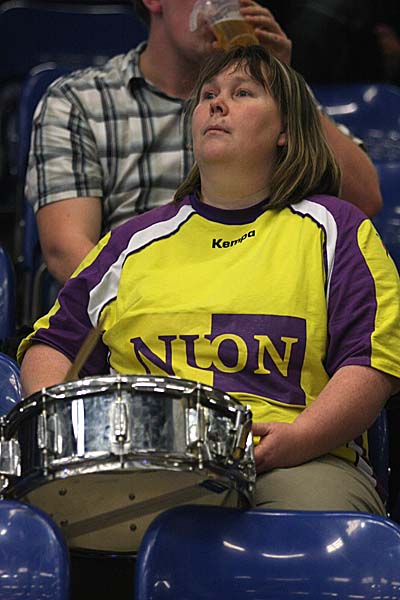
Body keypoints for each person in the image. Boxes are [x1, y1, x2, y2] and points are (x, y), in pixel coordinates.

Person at [20, 42, 400, 512]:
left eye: (243, 93)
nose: (217, 104)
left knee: (312, 529)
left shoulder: (337, 229)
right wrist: (63, 436)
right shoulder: (131, 241)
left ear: (285, 130)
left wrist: (300, 438)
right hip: (144, 461)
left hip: (296, 459)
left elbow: (371, 362)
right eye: (208, 95)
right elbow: (54, 345)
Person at [25, 0, 383, 287]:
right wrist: (159, 310)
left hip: (264, 302)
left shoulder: (272, 97)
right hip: (136, 306)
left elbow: (364, 199)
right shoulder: (78, 99)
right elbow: (66, 251)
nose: (223, 5)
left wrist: (283, 82)